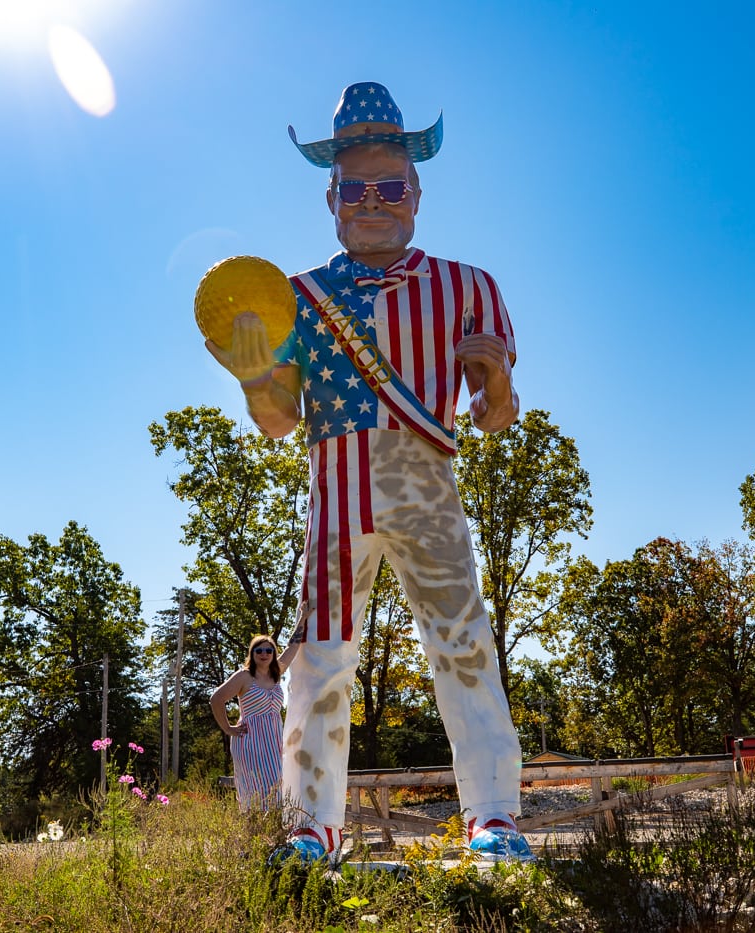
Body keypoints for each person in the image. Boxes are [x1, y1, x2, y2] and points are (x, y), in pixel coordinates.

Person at [204, 81, 532, 862]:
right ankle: (311, 823)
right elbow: (280, 418)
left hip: (429, 487)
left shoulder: (468, 286)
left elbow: (494, 414)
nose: (375, 200)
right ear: (332, 197)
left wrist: (499, 389)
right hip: (336, 491)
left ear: (418, 190)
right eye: (358, 187)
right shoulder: (298, 299)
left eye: (391, 185)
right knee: (319, 656)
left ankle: (494, 815)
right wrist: (255, 373)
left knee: (463, 645)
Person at [211, 634, 300, 811]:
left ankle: (274, 831)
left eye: (269, 650)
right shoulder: (244, 676)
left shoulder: (276, 674)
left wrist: (303, 617)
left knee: (278, 783)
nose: (264, 654)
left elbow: (293, 647)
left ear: (273, 654)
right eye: (259, 650)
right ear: (252, 653)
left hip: (273, 741)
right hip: (250, 741)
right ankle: (255, 830)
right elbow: (216, 699)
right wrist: (228, 728)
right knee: (256, 787)